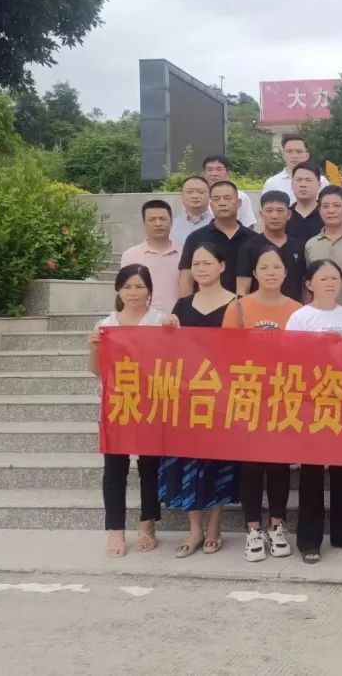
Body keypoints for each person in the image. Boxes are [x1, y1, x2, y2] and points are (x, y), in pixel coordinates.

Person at [222, 246, 301, 562]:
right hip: (248, 395)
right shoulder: (238, 308)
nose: (270, 272)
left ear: (285, 272)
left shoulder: (298, 310)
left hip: (283, 397)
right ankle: (253, 529)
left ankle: (277, 526)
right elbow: (225, 353)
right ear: (254, 273)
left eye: (276, 267)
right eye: (264, 267)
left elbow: (306, 356)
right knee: (251, 466)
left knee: (279, 465)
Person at [159, 244, 238, 558]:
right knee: (189, 461)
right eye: (196, 264)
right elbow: (170, 350)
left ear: (222, 266)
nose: (201, 269)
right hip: (188, 396)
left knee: (218, 461)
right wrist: (168, 328)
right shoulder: (182, 305)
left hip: (222, 395)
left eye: (207, 262)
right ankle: (194, 529)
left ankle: (215, 526)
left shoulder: (237, 304)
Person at [87, 264, 168, 557]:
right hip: (118, 404)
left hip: (151, 403)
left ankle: (148, 523)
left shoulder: (160, 321)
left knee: (150, 466)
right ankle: (115, 529)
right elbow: (97, 371)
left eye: (140, 287)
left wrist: (175, 331)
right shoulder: (106, 324)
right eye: (128, 287)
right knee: (115, 468)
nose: (134, 293)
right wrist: (94, 347)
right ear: (118, 290)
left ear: (149, 291)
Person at [286, 259, 342, 560]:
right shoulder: (300, 317)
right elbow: (290, 358)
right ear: (309, 284)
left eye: (335, 278)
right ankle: (309, 541)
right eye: (323, 278)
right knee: (312, 473)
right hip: (311, 401)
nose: (330, 283)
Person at [179, 180, 255, 297]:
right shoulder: (195, 238)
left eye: (227, 198)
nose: (222, 203)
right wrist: (184, 306)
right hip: (204, 305)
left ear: (239, 203)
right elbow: (186, 281)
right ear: (210, 205)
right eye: (216, 199)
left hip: (245, 305)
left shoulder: (254, 239)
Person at [235, 191, 306, 302]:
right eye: (269, 211)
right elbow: (242, 290)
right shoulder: (249, 247)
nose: (274, 216)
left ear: (289, 214)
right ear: (261, 214)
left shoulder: (300, 246)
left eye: (280, 211)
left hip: (294, 310)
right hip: (259, 310)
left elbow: (305, 286)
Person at [120, 200, 182, 314]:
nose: (158, 223)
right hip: (144, 319)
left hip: (178, 318)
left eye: (163, 219)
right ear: (144, 223)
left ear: (171, 221)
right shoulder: (130, 255)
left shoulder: (184, 253)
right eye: (152, 219)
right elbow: (125, 291)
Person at [203, 154, 256, 230]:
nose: (214, 174)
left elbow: (248, 225)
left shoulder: (241, 197)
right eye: (210, 170)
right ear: (204, 174)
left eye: (219, 169)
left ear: (228, 173)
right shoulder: (200, 197)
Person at [263, 135, 310, 199]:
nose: (294, 156)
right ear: (283, 155)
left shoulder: (320, 181)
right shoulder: (272, 183)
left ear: (307, 155)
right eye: (289, 151)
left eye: (299, 151)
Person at [286, 161, 323, 242]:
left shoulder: (327, 214)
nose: (303, 185)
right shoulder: (285, 215)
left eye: (308, 180)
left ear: (319, 184)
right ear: (292, 184)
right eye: (298, 180)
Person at [170, 175, 213, 245]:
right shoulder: (171, 225)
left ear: (210, 195)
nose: (195, 196)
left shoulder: (218, 224)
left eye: (200, 192)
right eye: (189, 192)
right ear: (182, 196)